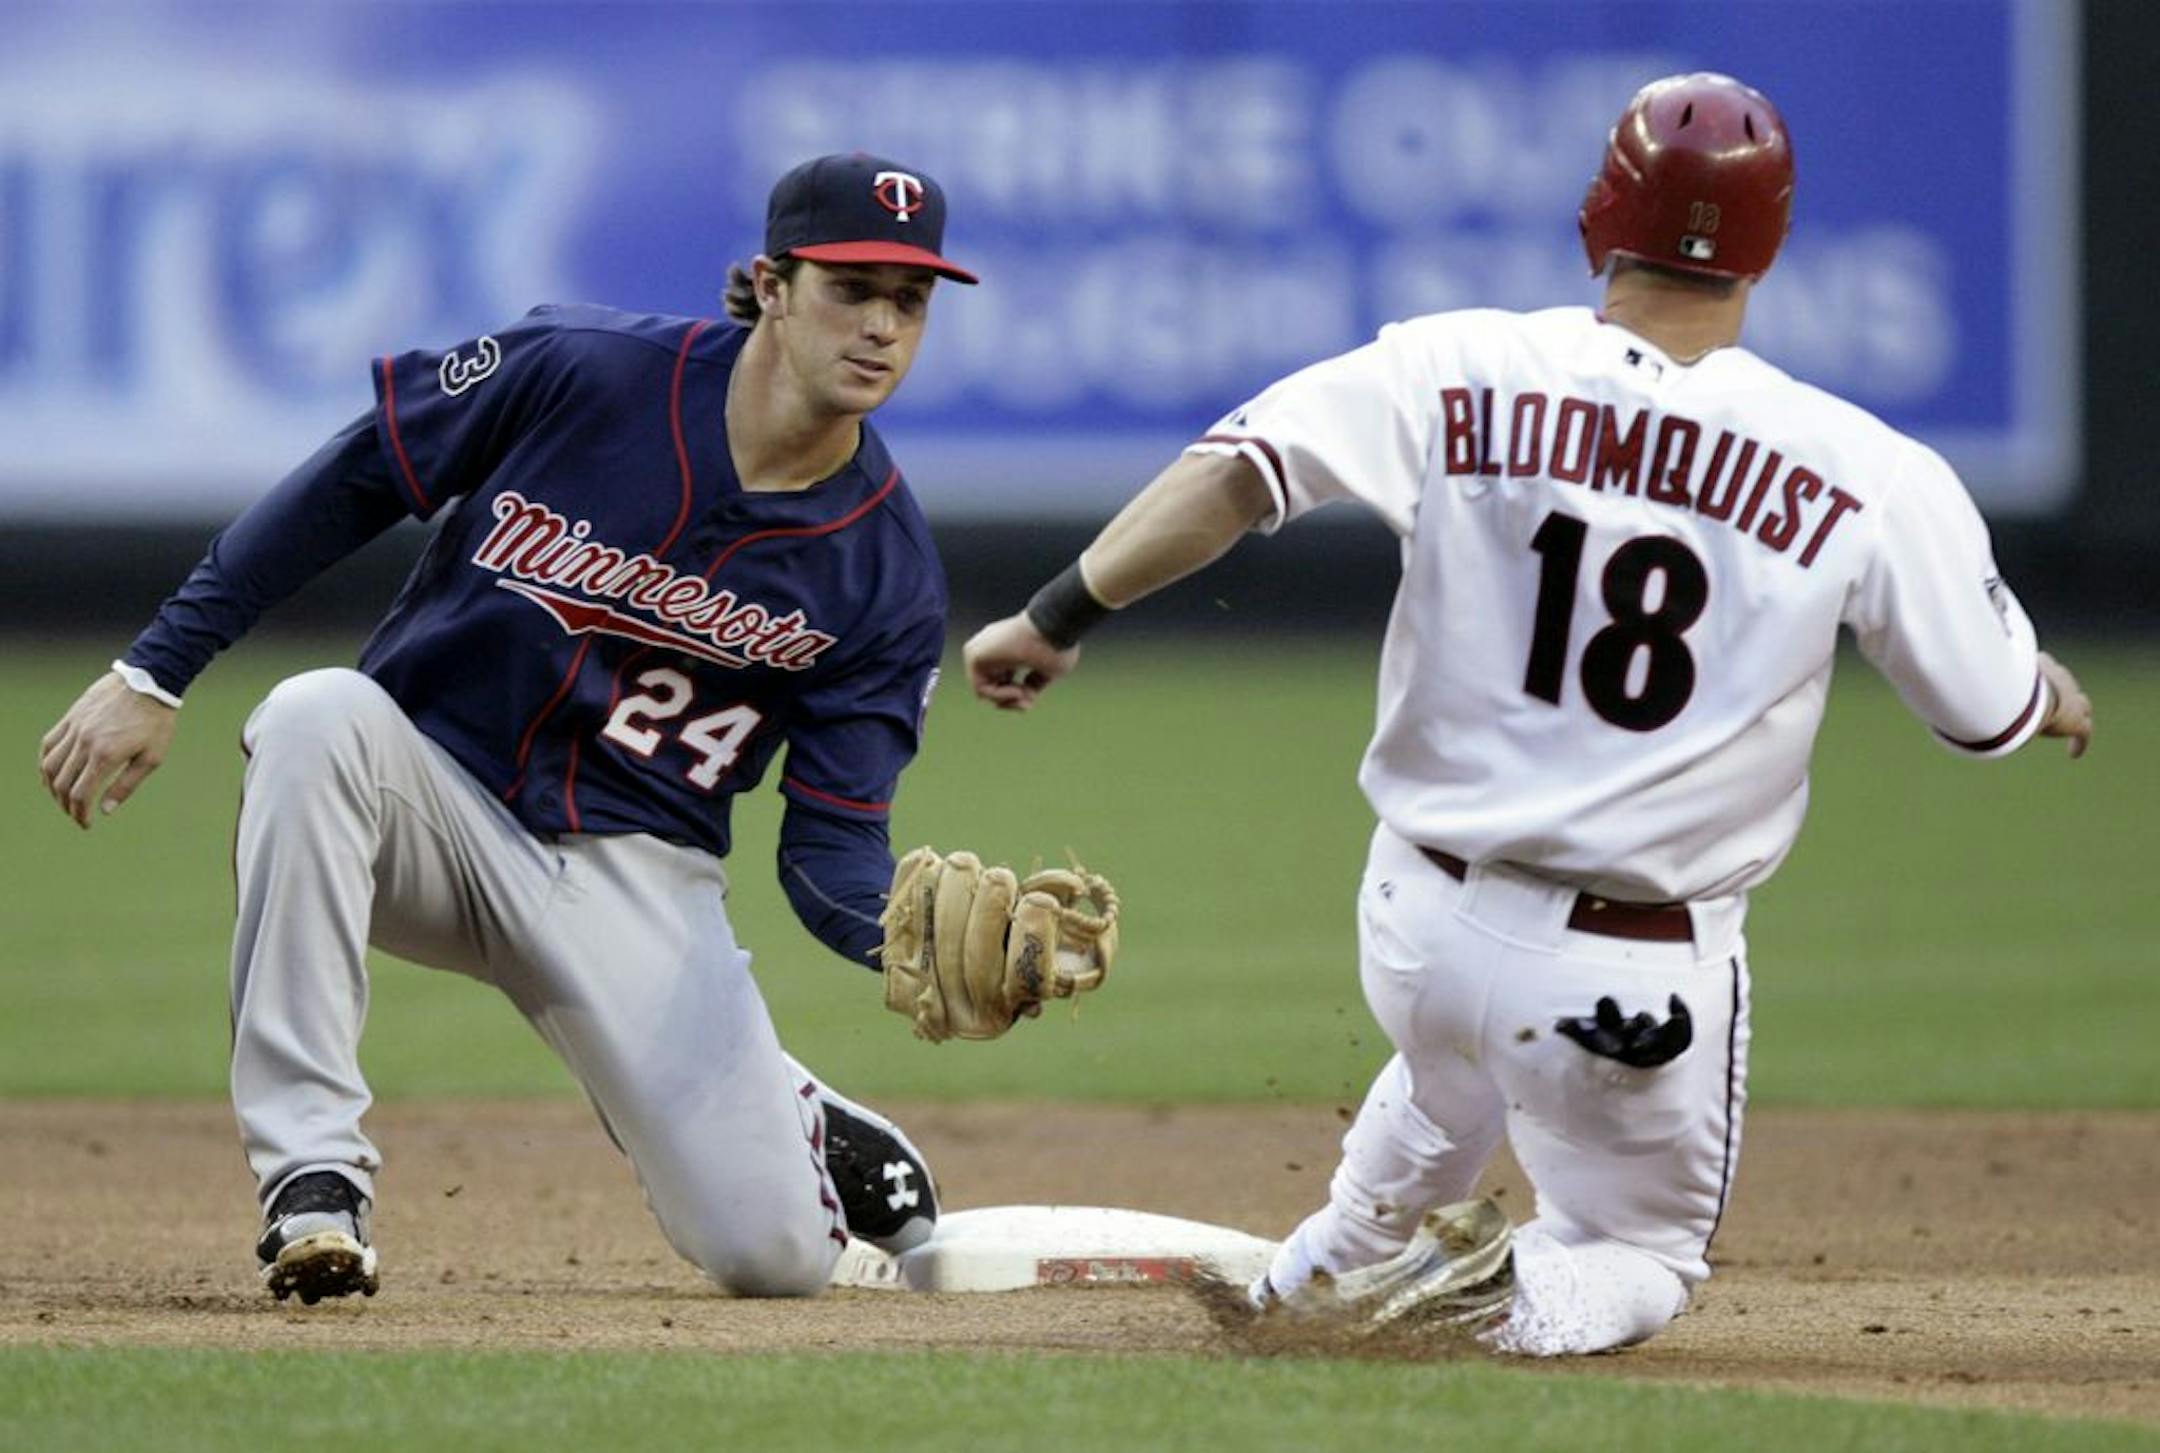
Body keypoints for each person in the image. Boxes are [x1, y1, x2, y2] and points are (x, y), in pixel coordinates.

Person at [962, 74, 2094, 1355]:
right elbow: (1986, 711)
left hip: (1415, 922)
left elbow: (1238, 473)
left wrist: (1054, 614)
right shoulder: (1868, 467)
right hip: (1627, 974)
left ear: (1593, 221)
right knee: (1641, 1247)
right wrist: (2044, 685)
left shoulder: (1457, 363)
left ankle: (1319, 1274)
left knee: (1448, 1081)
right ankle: (1483, 1309)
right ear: (1771, 251)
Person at [37, 152, 980, 1304]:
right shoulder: (588, 372)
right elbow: (352, 479)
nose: (882, 326)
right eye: (852, 288)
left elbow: (830, 841)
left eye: (910, 300)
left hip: (635, 876)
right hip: (425, 802)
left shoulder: (887, 572)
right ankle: (314, 1172)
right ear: (773, 286)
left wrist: (903, 939)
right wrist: (156, 669)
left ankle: (786, 1105)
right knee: (315, 716)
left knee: (774, 1257)